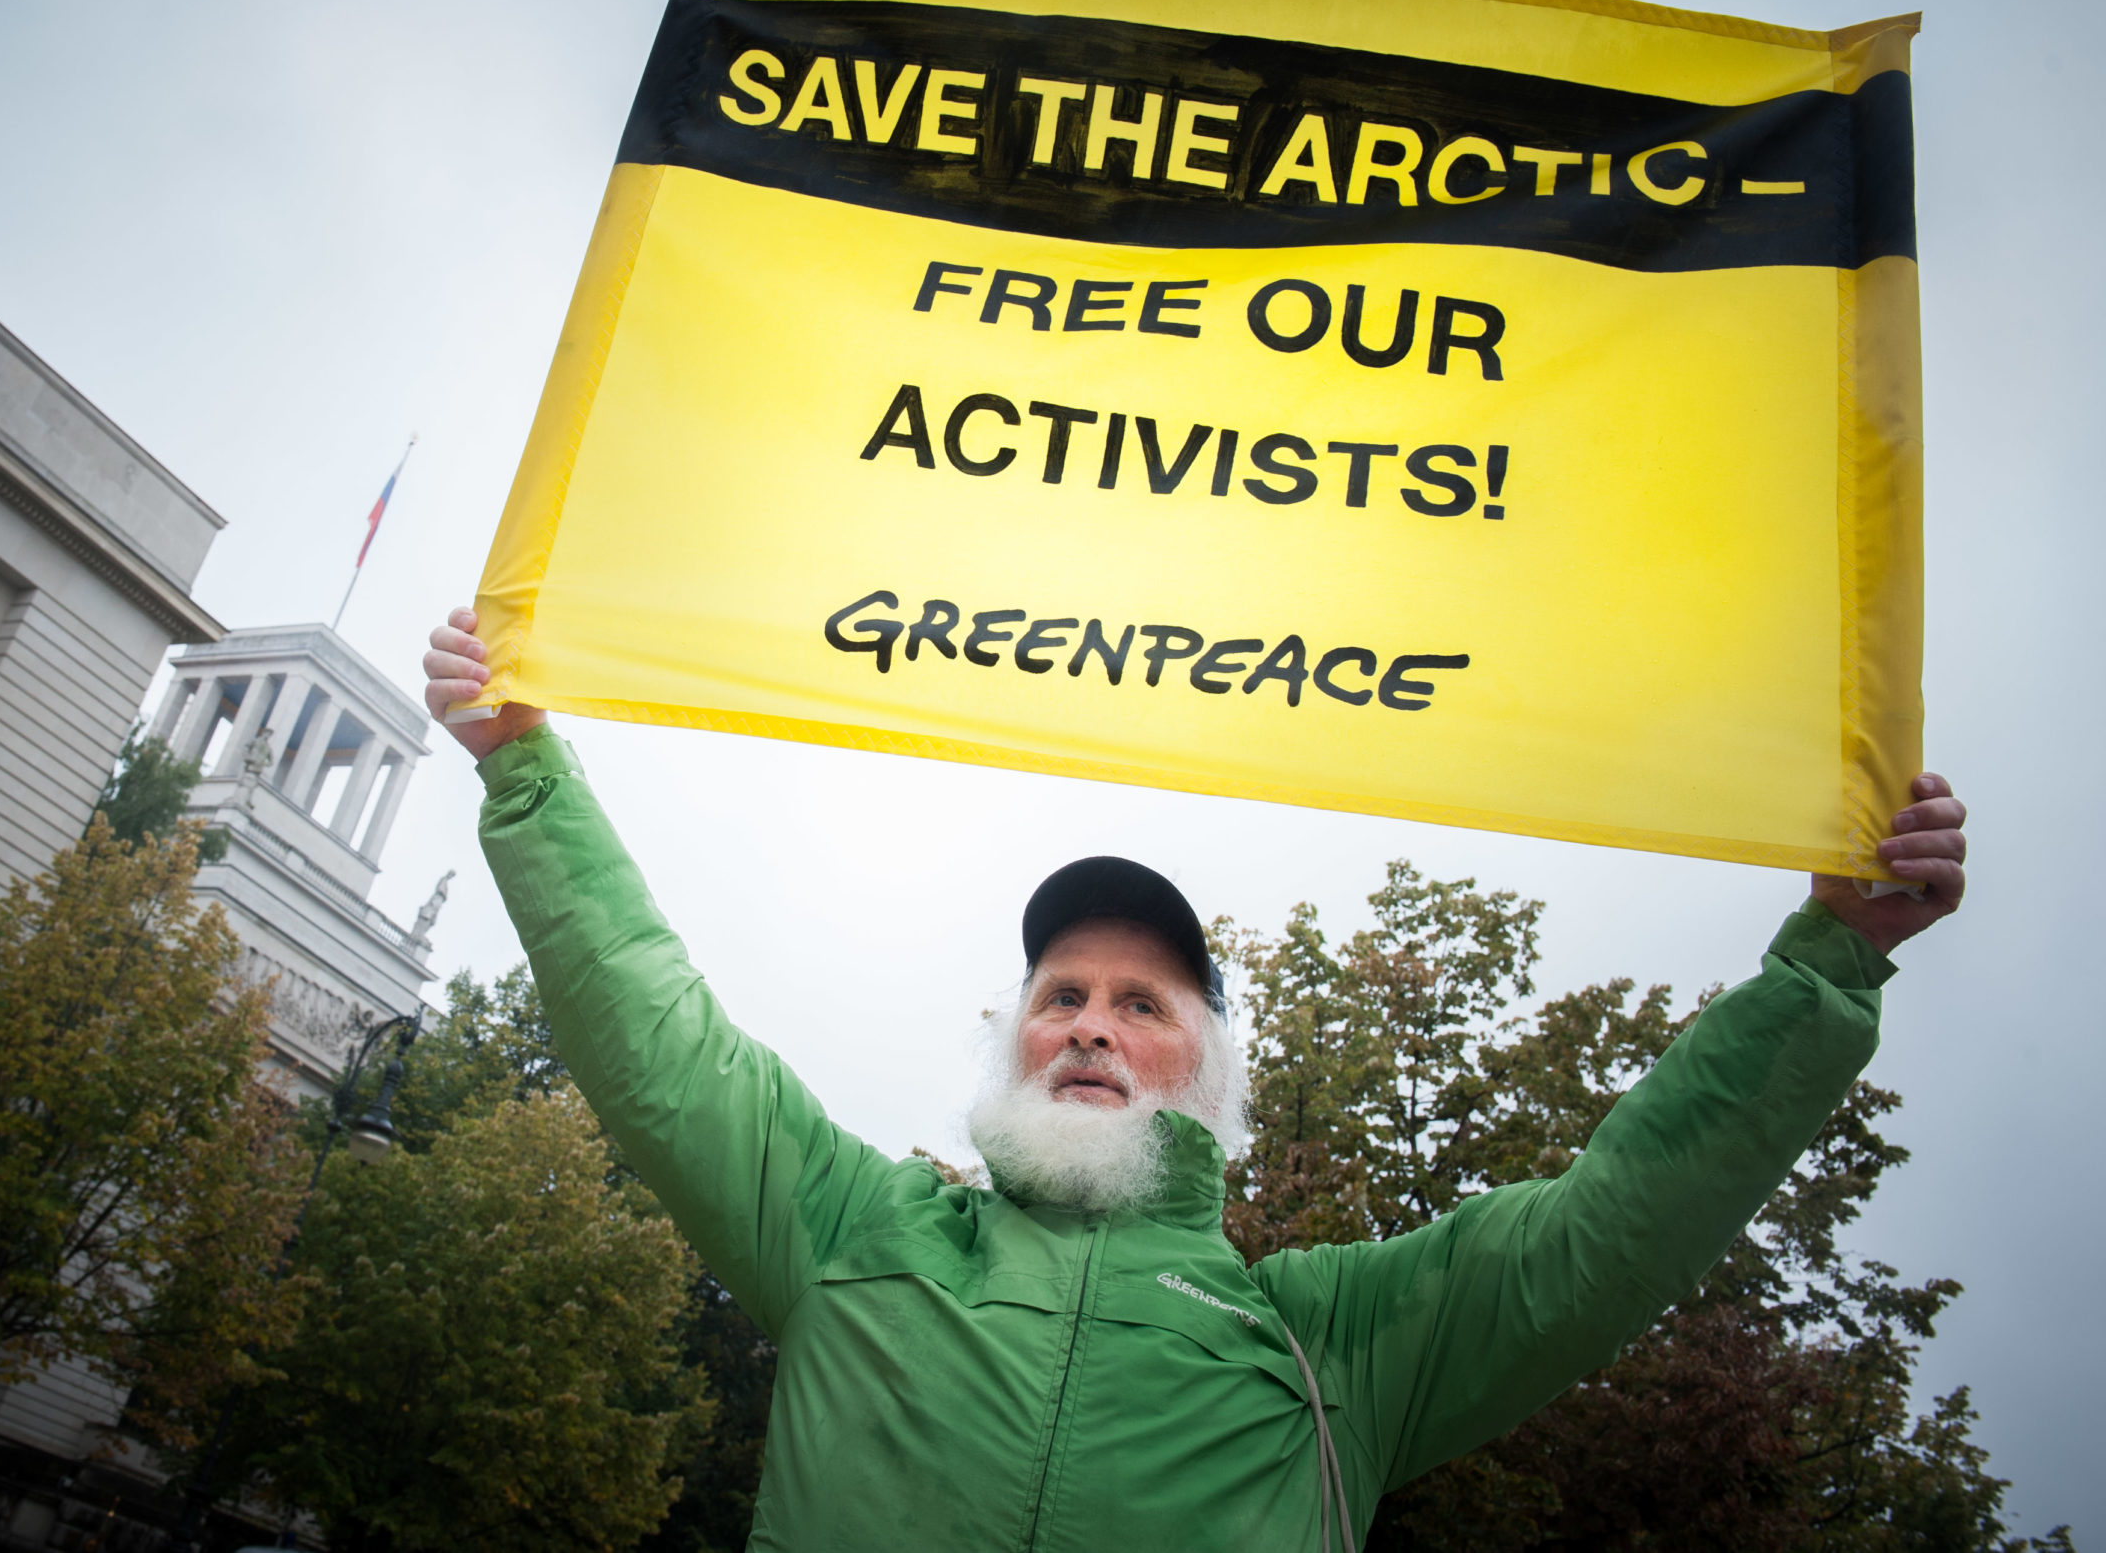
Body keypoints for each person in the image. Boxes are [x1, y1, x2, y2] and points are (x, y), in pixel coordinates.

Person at [422, 608, 1967, 1553]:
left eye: (1140, 1003)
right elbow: (656, 1036)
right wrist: (524, 762)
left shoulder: (1331, 1345)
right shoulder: (851, 1233)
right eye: (1062, 995)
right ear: (1015, 1039)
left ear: (1209, 1074)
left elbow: (1616, 1222)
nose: (1091, 1023)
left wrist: (1830, 960)